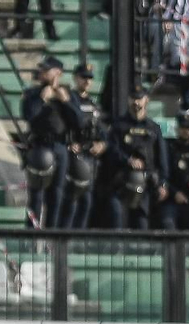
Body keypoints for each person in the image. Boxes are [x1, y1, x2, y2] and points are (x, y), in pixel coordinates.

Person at [101, 87, 168, 229]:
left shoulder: (153, 128)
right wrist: (128, 160)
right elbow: (111, 150)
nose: (136, 102)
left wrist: (162, 183)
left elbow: (162, 158)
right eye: (133, 99)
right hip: (121, 182)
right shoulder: (118, 126)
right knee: (117, 219)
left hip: (144, 185)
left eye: (139, 99)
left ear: (146, 100)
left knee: (141, 224)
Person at [20, 56, 74, 228]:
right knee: (36, 194)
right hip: (39, 147)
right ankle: (31, 235)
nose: (42, 72)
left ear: (58, 72)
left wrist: (66, 103)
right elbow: (28, 115)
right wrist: (41, 99)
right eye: (42, 69)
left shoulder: (67, 95)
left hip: (60, 146)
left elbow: (79, 122)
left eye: (47, 69)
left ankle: (53, 236)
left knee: (57, 195)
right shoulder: (33, 94)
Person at [60, 63, 106, 229]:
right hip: (73, 157)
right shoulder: (68, 100)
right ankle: (65, 238)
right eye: (83, 77)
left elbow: (102, 131)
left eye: (90, 78)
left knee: (86, 202)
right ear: (76, 77)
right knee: (71, 201)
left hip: (89, 157)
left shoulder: (93, 104)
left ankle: (78, 241)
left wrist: (102, 144)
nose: (87, 81)